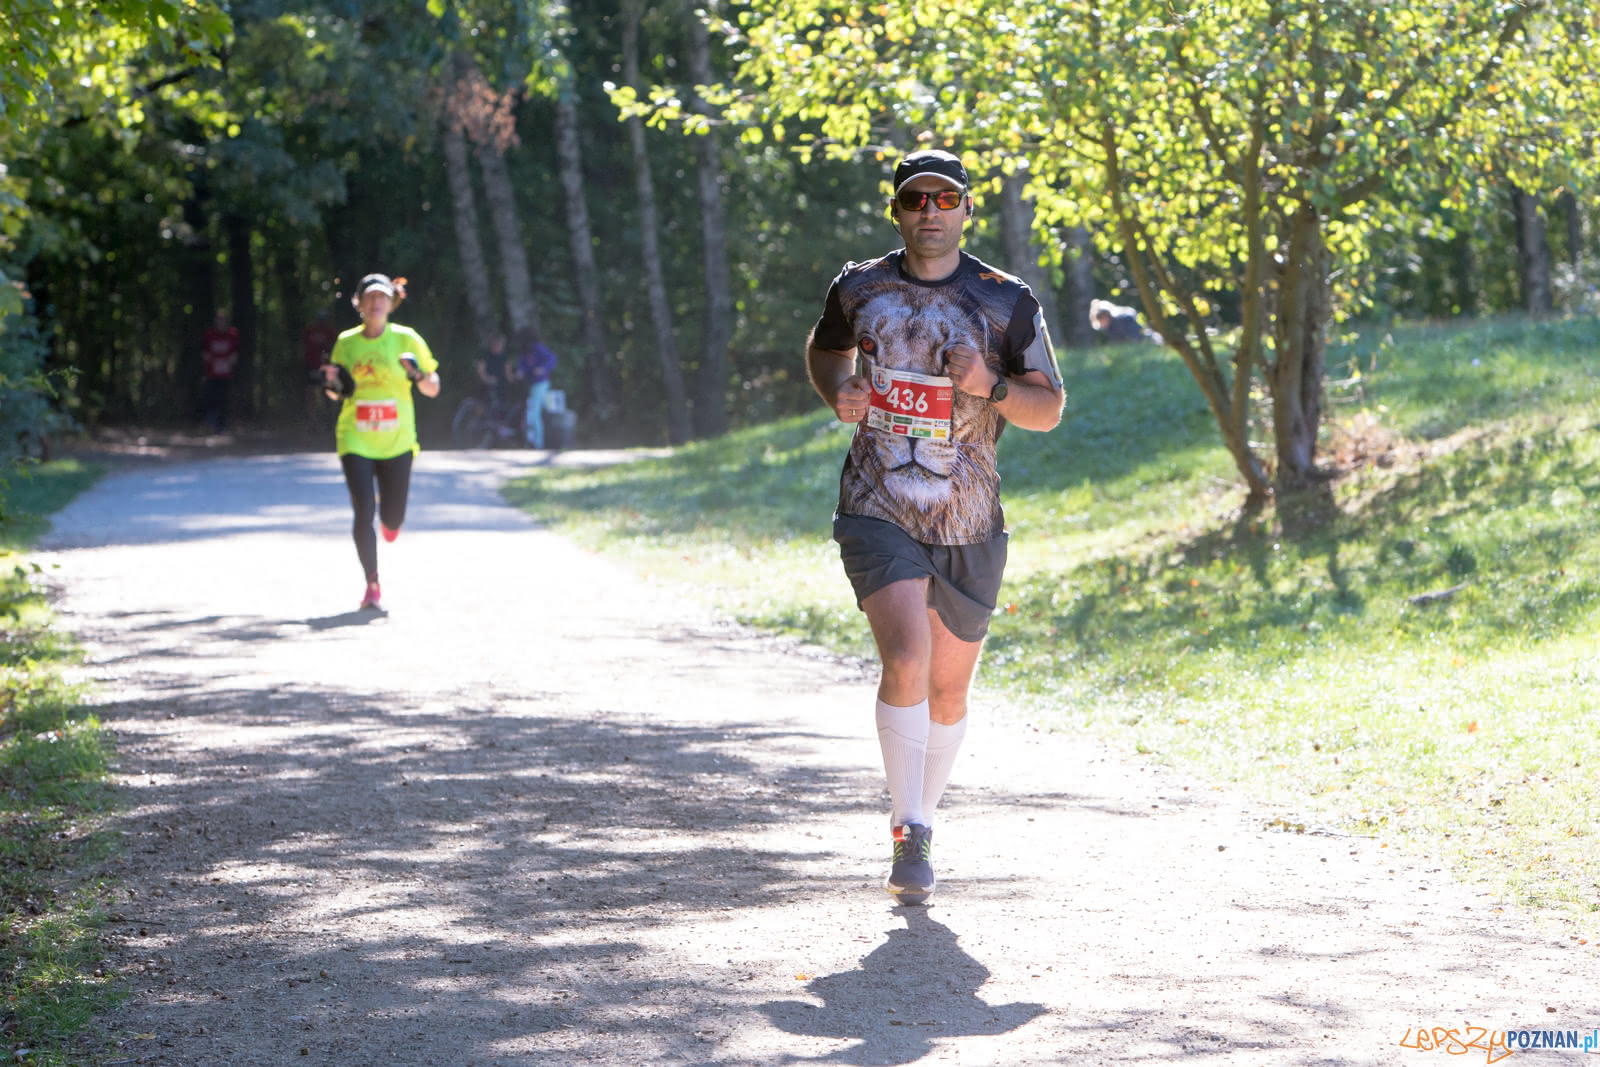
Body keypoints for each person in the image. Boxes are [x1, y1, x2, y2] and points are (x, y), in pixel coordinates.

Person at [805, 148, 1065, 905]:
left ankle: (926, 813)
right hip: (876, 503)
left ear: (965, 208)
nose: (929, 210)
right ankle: (909, 829)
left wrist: (988, 384)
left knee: (948, 696)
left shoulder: (1005, 301)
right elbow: (825, 352)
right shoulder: (860, 288)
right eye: (914, 198)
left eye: (943, 198)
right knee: (907, 659)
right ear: (897, 210)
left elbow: (1048, 409)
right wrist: (840, 392)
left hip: (970, 515)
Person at [320, 274, 441, 610]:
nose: (376, 304)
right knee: (363, 512)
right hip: (355, 437)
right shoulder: (346, 342)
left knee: (392, 517)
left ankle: (392, 526)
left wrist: (417, 375)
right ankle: (372, 583)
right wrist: (330, 384)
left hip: (397, 440)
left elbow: (433, 387)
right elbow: (336, 391)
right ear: (359, 303)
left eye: (382, 298)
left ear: (392, 302)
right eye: (370, 298)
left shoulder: (406, 339)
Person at [510, 326, 558, 449]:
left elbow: (552, 359)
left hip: (541, 384)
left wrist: (543, 369)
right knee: (538, 412)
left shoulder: (537, 348)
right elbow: (523, 365)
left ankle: (538, 444)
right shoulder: (524, 351)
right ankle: (537, 441)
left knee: (534, 414)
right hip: (532, 384)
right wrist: (520, 372)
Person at [201, 309, 239, 432]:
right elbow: (204, 352)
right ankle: (210, 422)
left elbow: (235, 354)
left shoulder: (232, 335)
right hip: (212, 374)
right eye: (218, 321)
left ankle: (220, 427)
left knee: (223, 400)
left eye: (222, 321)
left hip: (225, 374)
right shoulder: (209, 335)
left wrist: (230, 360)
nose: (220, 324)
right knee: (211, 398)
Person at [302, 308, 338, 428]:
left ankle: (328, 419)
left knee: (327, 393)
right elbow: (305, 348)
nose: (322, 321)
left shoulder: (330, 331)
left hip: (326, 367)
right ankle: (312, 421)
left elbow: (334, 349)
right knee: (311, 393)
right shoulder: (310, 331)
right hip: (311, 366)